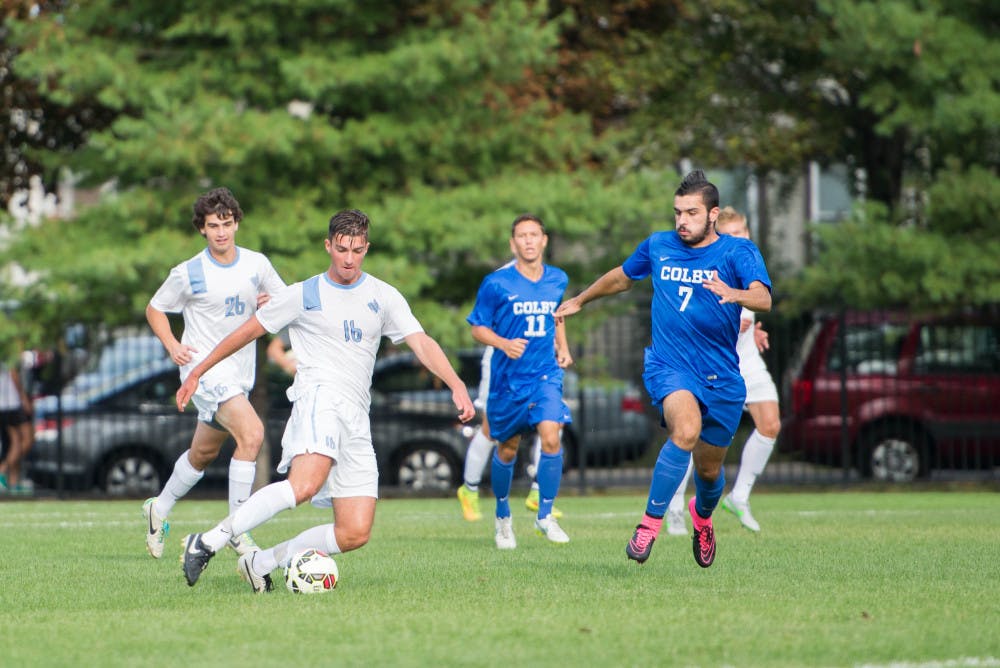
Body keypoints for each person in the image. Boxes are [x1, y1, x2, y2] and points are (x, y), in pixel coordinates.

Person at [175, 208, 475, 592]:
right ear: (328, 245)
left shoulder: (383, 296)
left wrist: (455, 383)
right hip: (320, 399)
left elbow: (421, 341)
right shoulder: (303, 294)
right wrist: (199, 370)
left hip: (356, 415)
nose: (349, 259)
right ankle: (209, 541)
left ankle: (260, 562)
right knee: (304, 486)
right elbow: (246, 332)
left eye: (358, 250)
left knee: (353, 532)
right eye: (342, 249)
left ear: (367, 248)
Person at [554, 171, 772, 568]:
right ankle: (649, 524)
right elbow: (622, 278)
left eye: (691, 212)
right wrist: (581, 300)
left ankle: (702, 518)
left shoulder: (738, 253)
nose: (682, 221)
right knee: (685, 430)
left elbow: (763, 298)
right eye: (677, 213)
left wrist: (733, 293)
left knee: (709, 472)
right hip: (670, 366)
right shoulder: (659, 245)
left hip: (722, 376)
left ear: (713, 215)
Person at [142, 187, 286, 560]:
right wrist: (173, 345)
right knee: (252, 434)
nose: (221, 231)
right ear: (202, 229)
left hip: (239, 375)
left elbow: (285, 305)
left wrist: (270, 305)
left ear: (236, 223)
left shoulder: (257, 265)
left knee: (202, 454)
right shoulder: (189, 272)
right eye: (212, 225)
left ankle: (158, 508)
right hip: (202, 372)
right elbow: (155, 309)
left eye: (226, 223)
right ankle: (239, 531)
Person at [664, 207, 781, 534]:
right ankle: (675, 507)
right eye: (732, 234)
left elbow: (756, 303)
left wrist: (754, 330)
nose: (740, 239)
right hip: (711, 366)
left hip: (746, 362)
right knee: (690, 435)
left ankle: (739, 496)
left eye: (743, 232)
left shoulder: (749, 264)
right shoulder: (708, 268)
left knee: (770, 424)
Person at [467, 214, 573, 549]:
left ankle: (544, 515)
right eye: (521, 236)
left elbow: (556, 317)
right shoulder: (496, 283)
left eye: (534, 235)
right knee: (508, 449)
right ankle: (502, 519)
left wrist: (564, 348)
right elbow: (477, 327)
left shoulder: (558, 279)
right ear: (513, 244)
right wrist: (503, 344)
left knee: (551, 435)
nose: (528, 241)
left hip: (545, 375)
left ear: (544, 240)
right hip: (508, 380)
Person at [456, 340, 570, 522]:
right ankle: (469, 490)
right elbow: (480, 328)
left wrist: (560, 346)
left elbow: (556, 316)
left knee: (555, 420)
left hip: (538, 361)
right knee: (491, 429)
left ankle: (538, 493)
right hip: (504, 361)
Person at [0, 361, 35, 494]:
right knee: (25, 440)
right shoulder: (8, 352)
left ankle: (14, 483)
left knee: (13, 444)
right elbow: (13, 374)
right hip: (11, 405)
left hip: (5, 405)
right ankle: (2, 470)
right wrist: (24, 398)